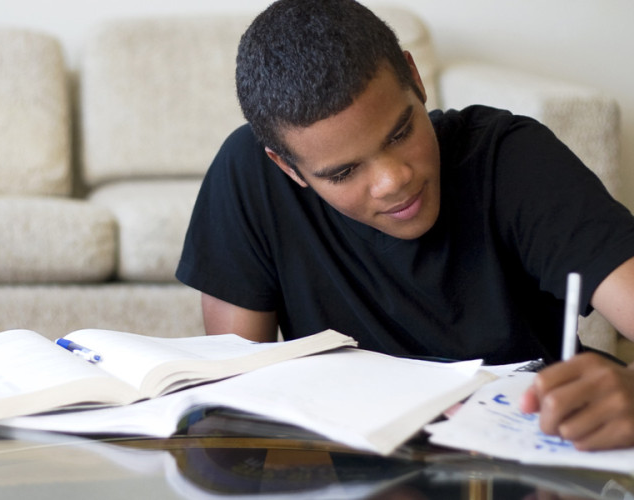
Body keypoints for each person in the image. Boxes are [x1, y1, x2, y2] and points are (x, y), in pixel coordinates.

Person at [176, 0, 634, 450]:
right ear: (288, 168)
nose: (394, 181)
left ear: (415, 79)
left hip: (534, 459)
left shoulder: (512, 159)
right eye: (343, 173)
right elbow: (232, 404)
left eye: (400, 133)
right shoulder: (249, 176)